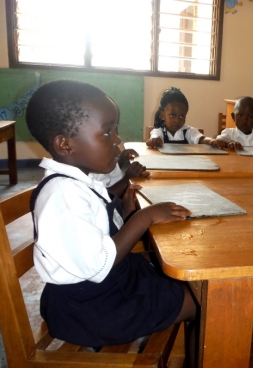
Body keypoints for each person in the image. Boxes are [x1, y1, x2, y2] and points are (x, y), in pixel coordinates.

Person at [26, 80, 197, 367]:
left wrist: (124, 204)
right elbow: (100, 262)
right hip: (91, 308)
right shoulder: (62, 195)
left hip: (101, 291)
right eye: (107, 132)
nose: (117, 140)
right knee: (202, 300)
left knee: (179, 273)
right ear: (64, 144)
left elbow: (98, 217)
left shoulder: (77, 181)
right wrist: (144, 216)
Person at [146, 86, 224, 149]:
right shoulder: (159, 131)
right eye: (173, 115)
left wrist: (211, 140)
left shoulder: (189, 131)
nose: (177, 120)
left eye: (181, 116)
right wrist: (154, 140)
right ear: (162, 115)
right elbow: (155, 136)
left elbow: (201, 139)